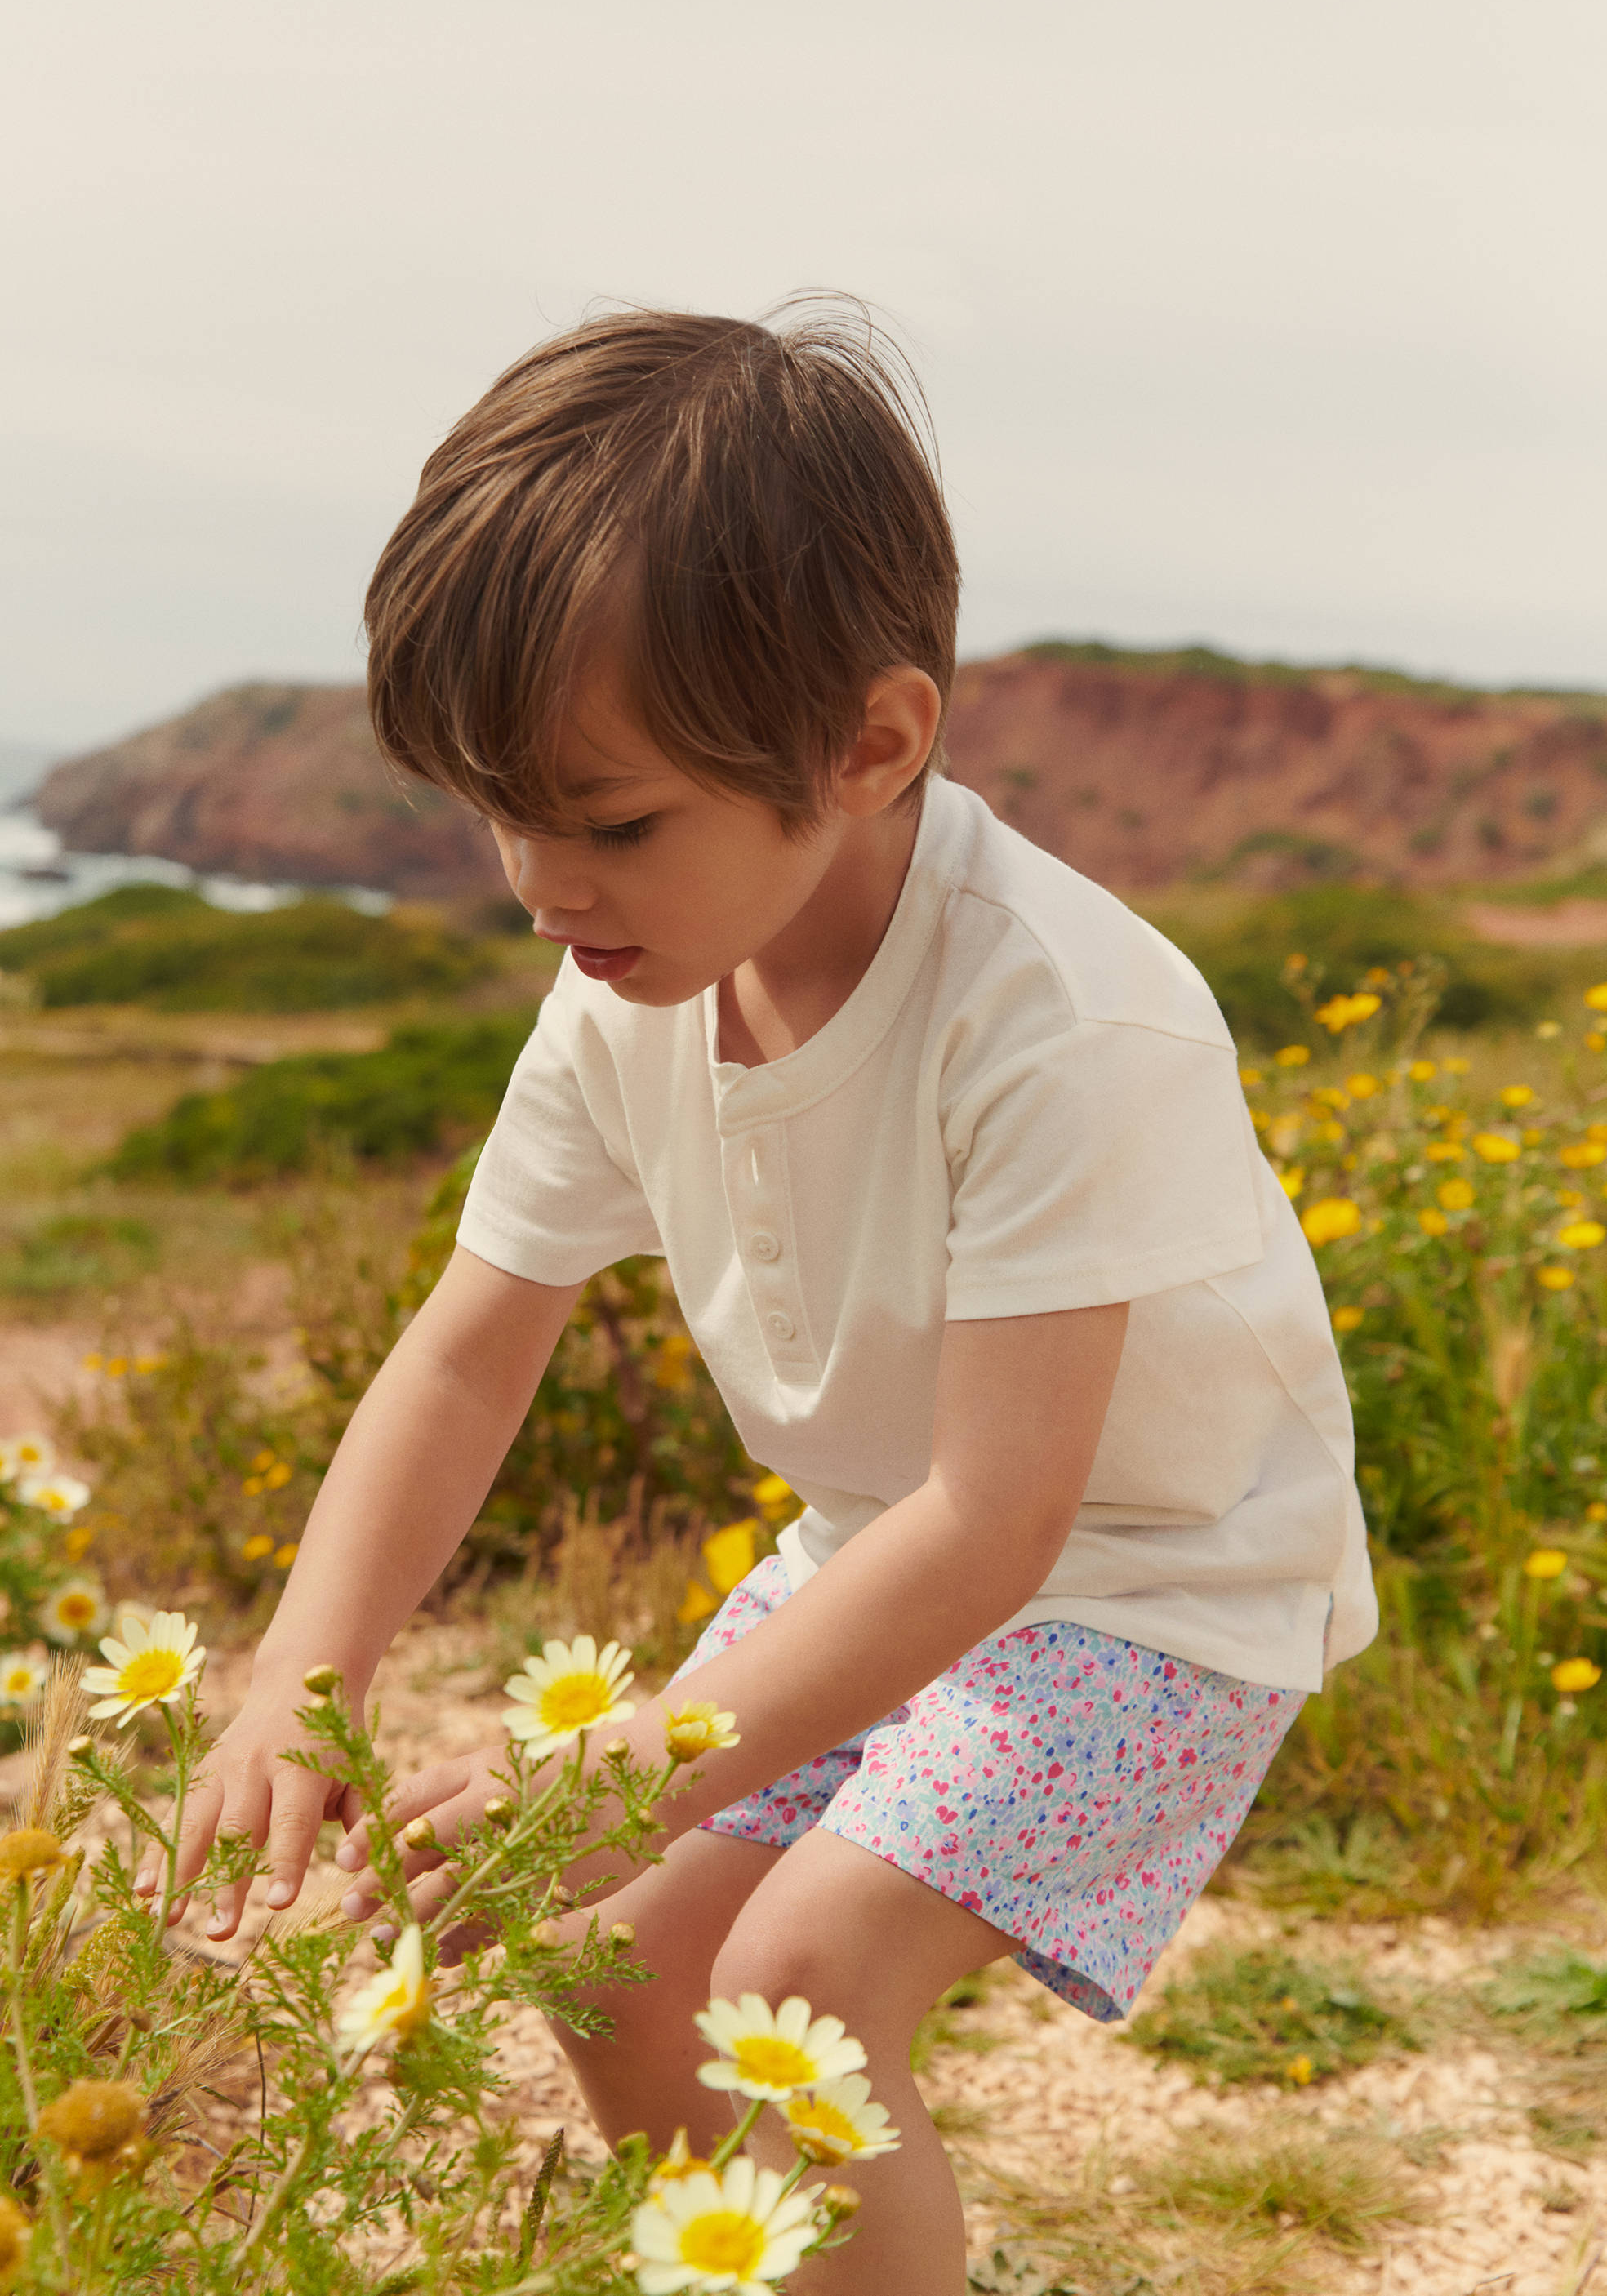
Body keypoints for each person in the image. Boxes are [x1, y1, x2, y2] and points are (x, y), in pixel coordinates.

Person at [153, 305, 1376, 2294]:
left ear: (872, 745)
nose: (541, 883)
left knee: (795, 1971)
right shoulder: (617, 991)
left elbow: (1007, 1518)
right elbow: (468, 1349)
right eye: (499, 811)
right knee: (618, 1958)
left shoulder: (1062, 1020)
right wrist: (309, 1658)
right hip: (877, 1553)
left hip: (1158, 1589)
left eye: (610, 818)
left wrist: (634, 1750)